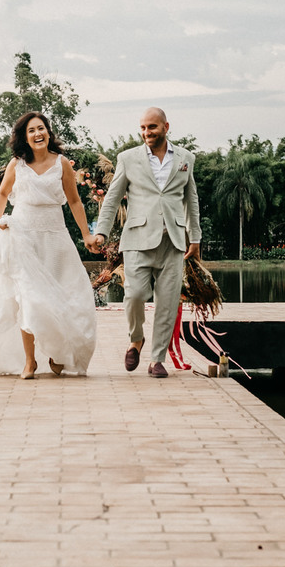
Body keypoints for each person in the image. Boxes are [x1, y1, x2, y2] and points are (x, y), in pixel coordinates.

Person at [0, 111, 98, 379]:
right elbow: (3, 193)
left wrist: (87, 235)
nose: (37, 134)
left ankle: (55, 351)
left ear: (49, 133)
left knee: (62, 296)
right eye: (31, 130)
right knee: (27, 297)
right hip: (23, 237)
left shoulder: (62, 164)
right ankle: (30, 362)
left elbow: (75, 202)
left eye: (41, 129)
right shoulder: (16, 164)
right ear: (24, 137)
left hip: (56, 239)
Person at [91, 107, 200, 378]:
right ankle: (136, 339)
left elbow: (191, 199)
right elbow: (113, 198)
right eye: (142, 128)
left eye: (152, 127)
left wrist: (195, 237)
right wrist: (101, 232)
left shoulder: (186, 158)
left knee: (167, 302)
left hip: (173, 242)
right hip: (137, 240)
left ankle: (156, 359)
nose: (146, 133)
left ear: (165, 126)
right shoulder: (128, 158)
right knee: (135, 295)